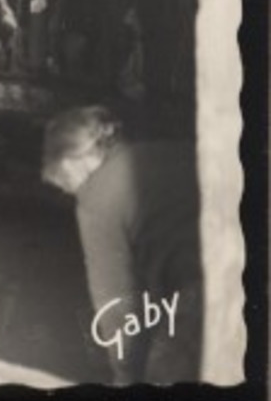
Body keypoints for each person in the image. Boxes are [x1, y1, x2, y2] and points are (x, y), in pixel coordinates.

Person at [41, 104, 202, 383]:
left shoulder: (98, 197)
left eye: (64, 182)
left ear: (72, 161)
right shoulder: (162, 152)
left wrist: (126, 377)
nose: (69, 192)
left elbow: (117, 305)